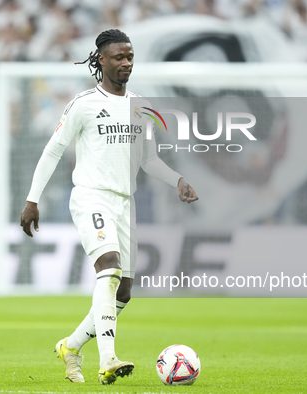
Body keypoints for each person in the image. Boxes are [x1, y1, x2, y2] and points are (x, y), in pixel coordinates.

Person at [20, 29, 198, 385]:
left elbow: (149, 160)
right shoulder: (84, 103)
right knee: (110, 270)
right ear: (101, 60)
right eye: (119, 57)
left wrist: (177, 179)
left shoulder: (141, 106)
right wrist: (32, 198)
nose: (126, 63)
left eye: (130, 57)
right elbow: (54, 149)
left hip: (124, 203)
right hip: (91, 196)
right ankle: (108, 359)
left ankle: (70, 347)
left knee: (124, 291)